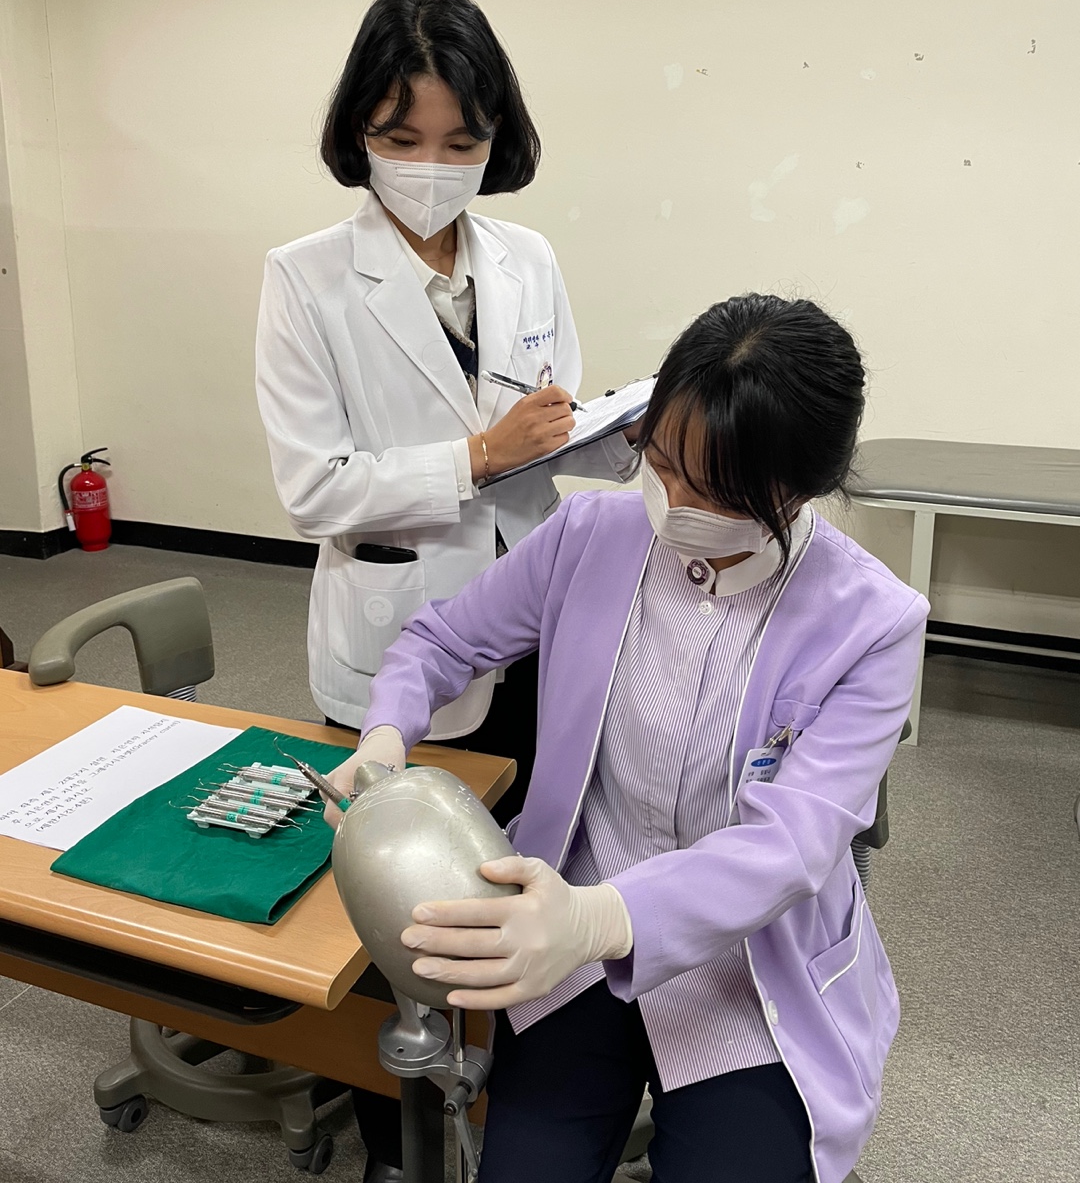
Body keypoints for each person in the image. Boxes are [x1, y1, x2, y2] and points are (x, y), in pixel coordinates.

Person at [328, 295, 930, 1183]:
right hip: (564, 936)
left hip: (745, 969)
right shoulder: (591, 536)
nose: (674, 502)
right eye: (663, 463)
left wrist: (599, 920)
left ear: (796, 489)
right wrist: (384, 736)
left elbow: (791, 848)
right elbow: (441, 642)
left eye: (715, 491)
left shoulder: (872, 621)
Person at [255, 0, 636, 1181]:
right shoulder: (305, 278)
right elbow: (313, 489)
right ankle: (392, 1131)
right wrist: (477, 456)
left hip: (532, 620)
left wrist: (611, 433)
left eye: (460, 140)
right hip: (396, 636)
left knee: (524, 854)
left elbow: (546, 429)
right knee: (392, 899)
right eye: (400, 136)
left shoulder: (529, 259)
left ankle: (515, 1090)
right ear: (357, 132)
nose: (430, 165)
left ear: (496, 138)